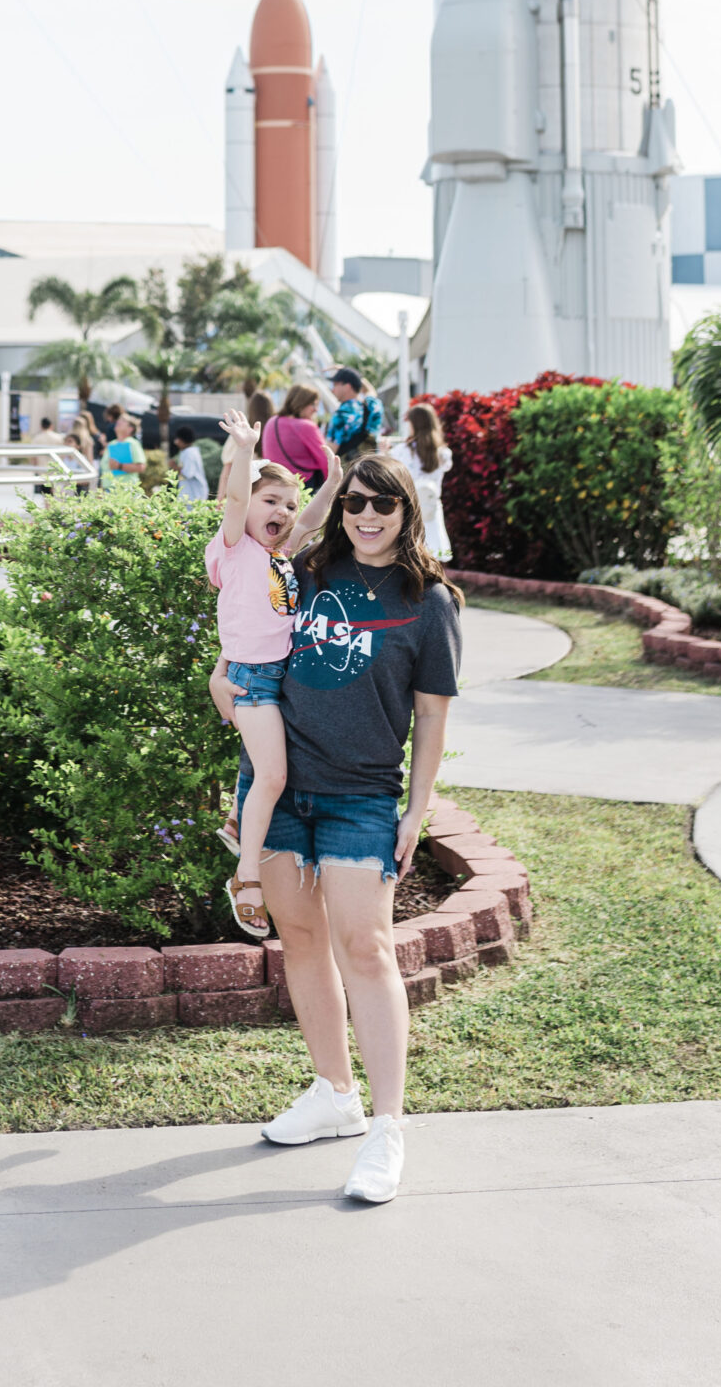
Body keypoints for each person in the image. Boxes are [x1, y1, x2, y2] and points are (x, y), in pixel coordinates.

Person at [225, 450, 461, 1205]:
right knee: (298, 940)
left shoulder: (431, 603)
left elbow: (430, 715)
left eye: (381, 506)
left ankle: (385, 1128)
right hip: (284, 785)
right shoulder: (306, 571)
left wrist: (416, 811)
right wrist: (222, 692)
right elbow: (251, 638)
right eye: (354, 502)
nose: (364, 516)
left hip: (361, 793)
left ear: (405, 512)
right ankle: (334, 1092)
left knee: (367, 946)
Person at [202, 411, 302, 938]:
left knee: (261, 768)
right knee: (275, 776)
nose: (282, 511)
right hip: (254, 680)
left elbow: (307, 522)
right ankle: (246, 879)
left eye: (288, 504)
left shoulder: (275, 556)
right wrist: (244, 450)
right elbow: (237, 501)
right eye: (272, 500)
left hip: (278, 678)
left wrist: (329, 487)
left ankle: (239, 820)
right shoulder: (236, 548)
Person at [389, 402, 453, 563]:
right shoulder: (443, 453)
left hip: (410, 507)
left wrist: (384, 450)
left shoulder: (403, 451)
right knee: (433, 553)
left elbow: (389, 468)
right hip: (431, 507)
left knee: (410, 552)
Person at [262, 385, 331, 490]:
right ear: (301, 402)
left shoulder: (272, 421)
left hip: (273, 482)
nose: (316, 410)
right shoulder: (306, 426)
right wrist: (332, 486)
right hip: (302, 485)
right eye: (313, 404)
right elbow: (326, 460)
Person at [326, 366, 383, 461]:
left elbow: (331, 452)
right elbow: (370, 390)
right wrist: (353, 373)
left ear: (347, 386)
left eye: (335, 384)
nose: (333, 389)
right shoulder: (373, 405)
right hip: (373, 466)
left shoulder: (341, 414)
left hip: (350, 471)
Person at [102, 404, 147, 485]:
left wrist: (119, 466)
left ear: (130, 428)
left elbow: (141, 467)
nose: (118, 422)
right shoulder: (111, 444)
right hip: (108, 490)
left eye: (123, 421)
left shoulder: (133, 444)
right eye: (119, 420)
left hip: (125, 492)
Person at [171, 427, 209, 503]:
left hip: (193, 495)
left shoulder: (189, 453)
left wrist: (174, 466)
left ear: (182, 440)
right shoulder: (188, 452)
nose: (176, 442)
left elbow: (188, 473)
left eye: (177, 439)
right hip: (190, 494)